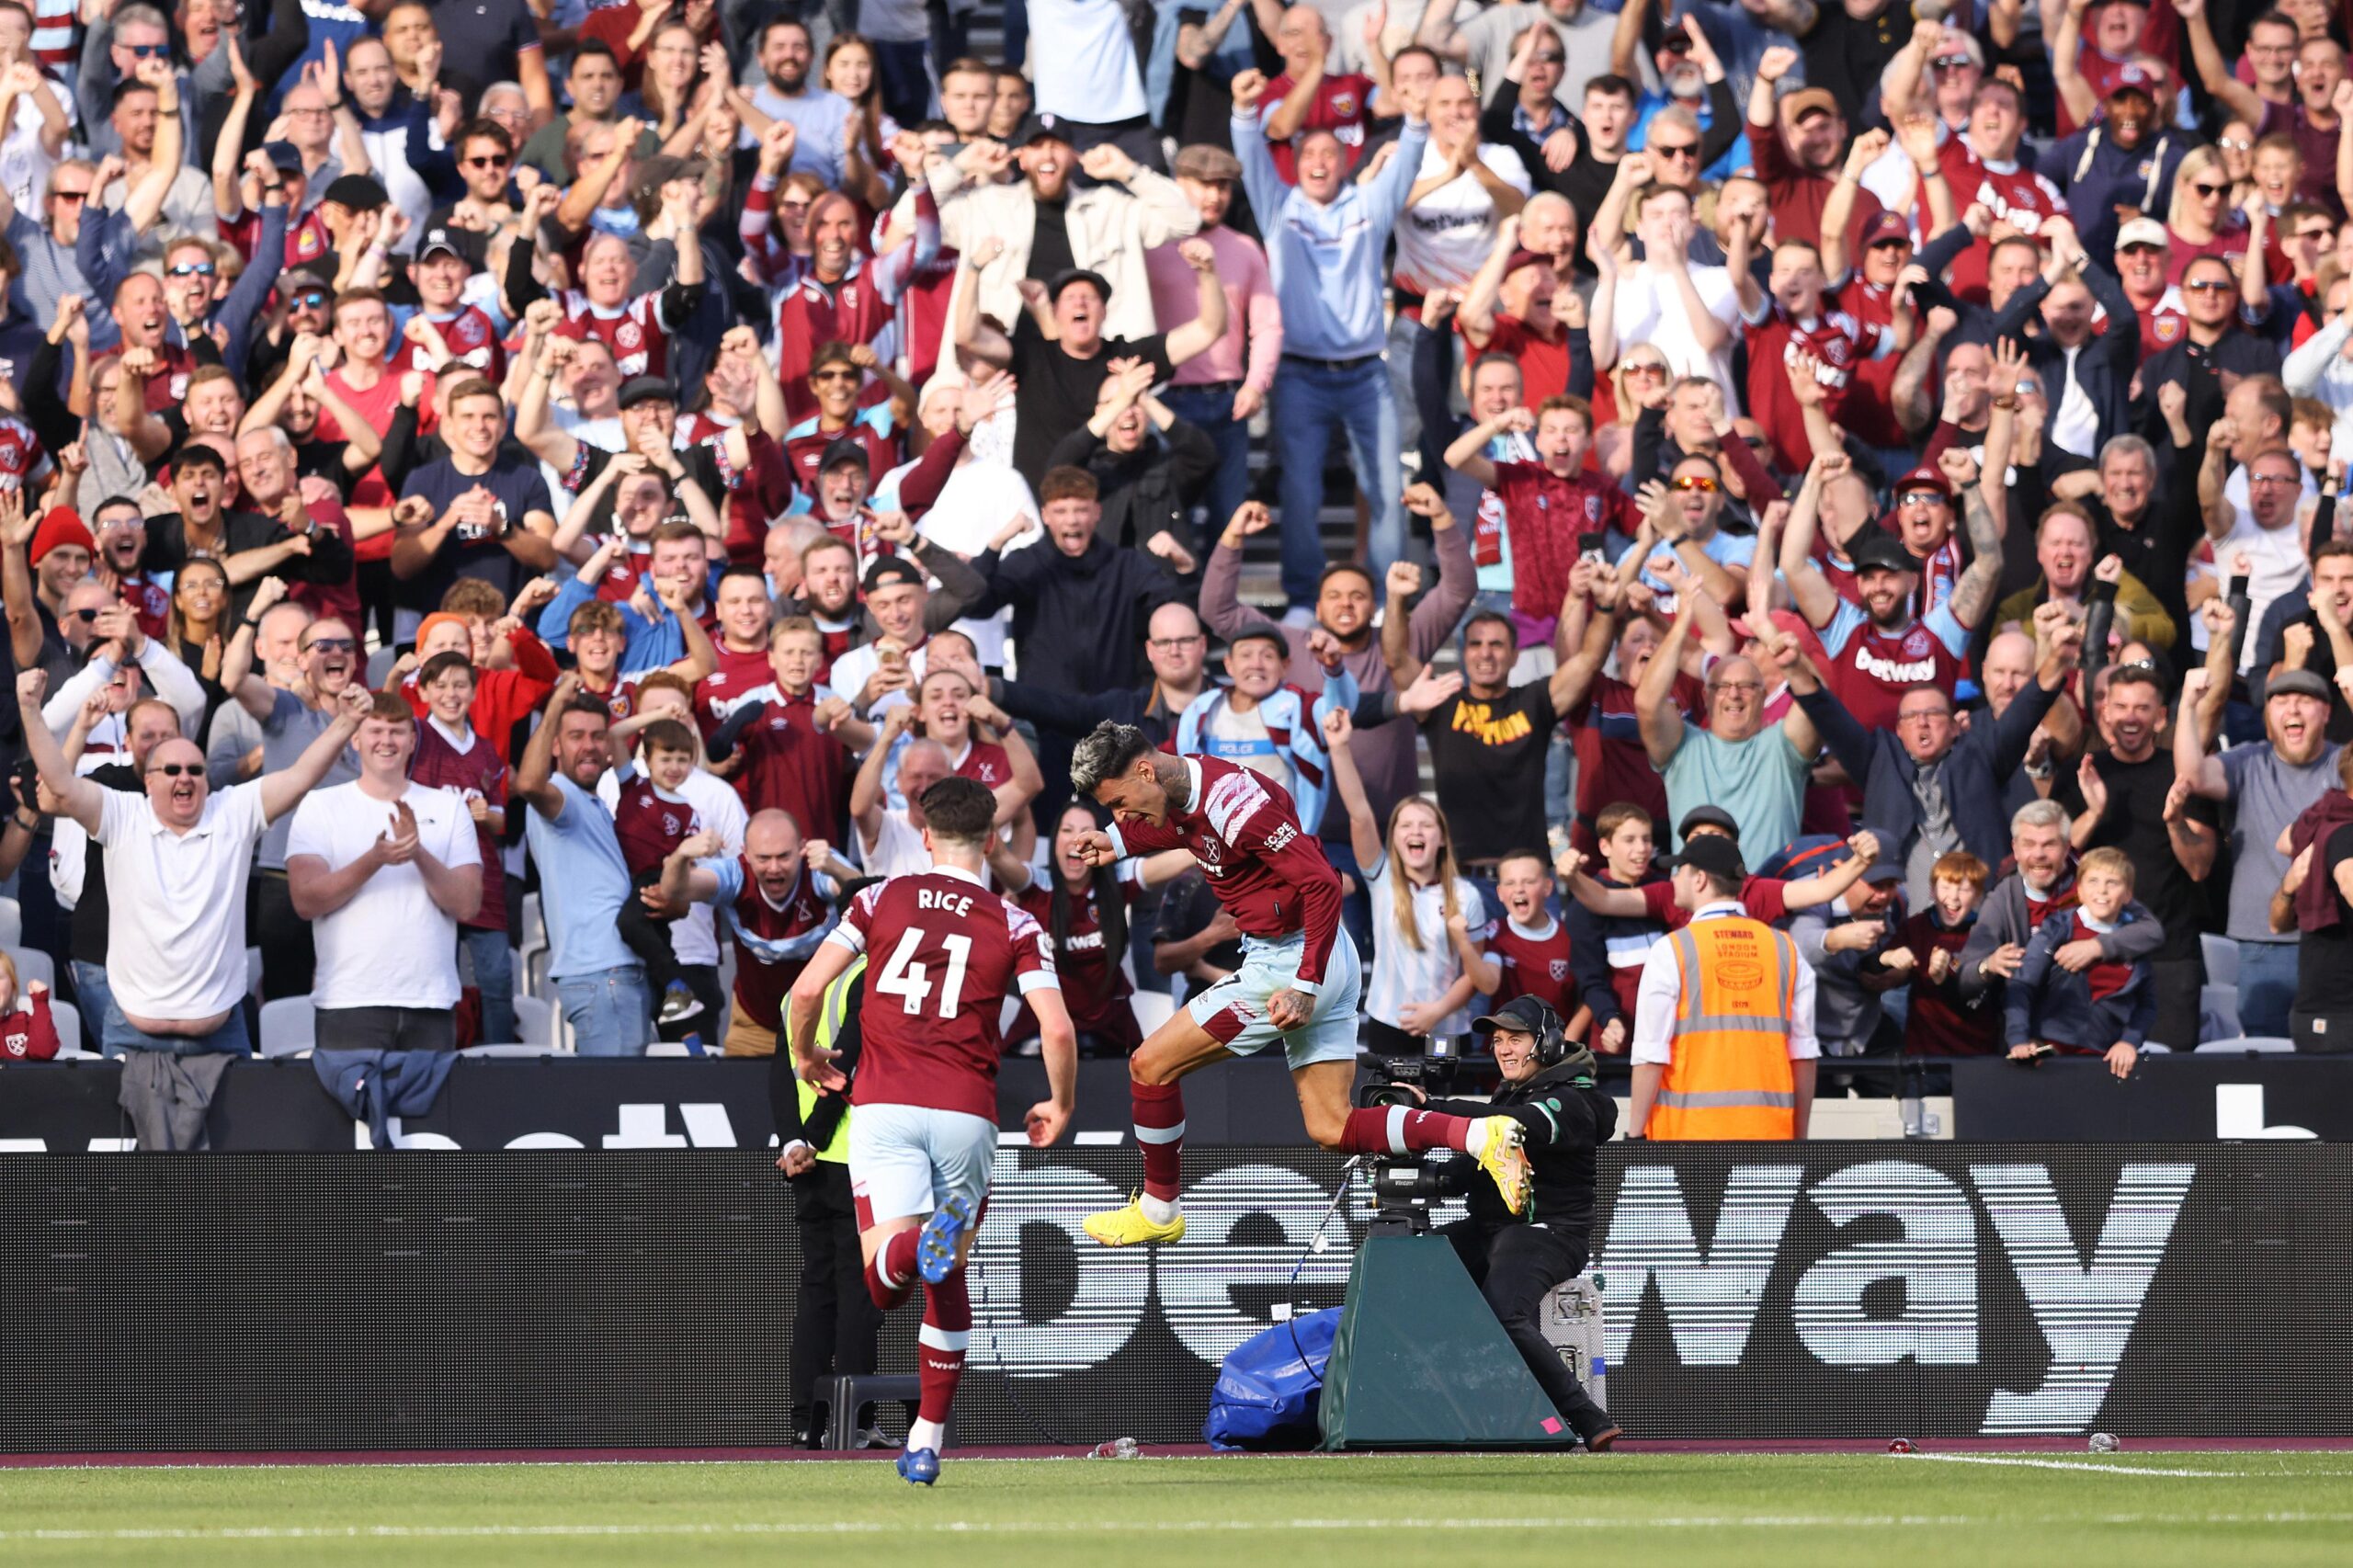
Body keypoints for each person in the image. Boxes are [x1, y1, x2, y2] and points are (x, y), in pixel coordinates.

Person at [1068, 721, 1531, 1247]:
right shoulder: (1180, 792)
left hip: (1293, 964)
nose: (1121, 814)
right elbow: (1174, 828)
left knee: (1148, 1066)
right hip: (1324, 956)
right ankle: (1478, 1133)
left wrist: (1305, 983)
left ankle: (1158, 1209)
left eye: (1121, 802)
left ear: (1147, 770)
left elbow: (1321, 883)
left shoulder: (1235, 805)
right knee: (1332, 1126)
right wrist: (1115, 839)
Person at [784, 777, 1079, 1488]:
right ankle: (926, 1441)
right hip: (967, 1113)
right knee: (947, 1279)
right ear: (991, 841)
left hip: (885, 1107)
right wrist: (1060, 1103)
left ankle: (917, 1244)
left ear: (922, 834)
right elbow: (1058, 1027)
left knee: (885, 1283)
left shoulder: (879, 898)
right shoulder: (1016, 924)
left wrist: (805, 1054)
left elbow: (806, 990)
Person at [17, 665, 369, 1056]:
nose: (184, 778)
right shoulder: (122, 813)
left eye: (195, 770)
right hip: (132, 1030)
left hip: (220, 1029)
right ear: (148, 781)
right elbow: (60, 788)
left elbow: (301, 776)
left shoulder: (234, 810)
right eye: (170, 770)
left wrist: (347, 723)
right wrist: (30, 709)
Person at [1231, 65, 1427, 612]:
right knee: (1301, 490)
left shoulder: (1368, 206)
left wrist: (1415, 116)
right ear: (1295, 164)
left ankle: (1388, 596)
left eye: (1330, 155)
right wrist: (1245, 112)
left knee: (1388, 486)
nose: (1318, 163)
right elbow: (1249, 159)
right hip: (1299, 373)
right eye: (1308, 155)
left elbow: (1407, 164)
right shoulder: (1279, 207)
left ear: (1346, 163)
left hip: (1366, 372)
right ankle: (1299, 595)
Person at [1406, 994, 1620, 1450]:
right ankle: (1430, 1409)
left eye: (1515, 1038)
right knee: (1409, 1269)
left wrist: (1430, 1112)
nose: (1503, 1048)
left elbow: (1511, 1126)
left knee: (1506, 1311)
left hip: (1547, 1231)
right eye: (1497, 1040)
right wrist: (1419, 1177)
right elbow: (1477, 1164)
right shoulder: (1511, 1092)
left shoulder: (1571, 1099)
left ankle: (1587, 1416)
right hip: (1493, 1229)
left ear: (1545, 1042)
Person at [285, 694, 483, 1051]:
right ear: (355, 739)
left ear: (412, 740)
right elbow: (306, 900)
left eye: (397, 731)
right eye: (375, 730)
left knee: (430, 1110)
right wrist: (374, 859)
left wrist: (417, 852)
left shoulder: (449, 806)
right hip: (349, 1001)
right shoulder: (320, 806)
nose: (386, 741)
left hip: (431, 1001)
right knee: (352, 1110)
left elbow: (467, 905)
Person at [2174, 654, 2340, 1039]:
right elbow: (2192, 775)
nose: (2292, 709)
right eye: (2281, 701)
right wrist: (2186, 705)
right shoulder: (2249, 760)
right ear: (2268, 714)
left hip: (2332, 938)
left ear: (2326, 712)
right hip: (2261, 942)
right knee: (2267, 1056)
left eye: (2304, 700)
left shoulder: (2341, 764)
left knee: (2334, 1055)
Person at [1624, 832, 1818, 1141]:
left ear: (1699, 879)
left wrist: (1634, 1135)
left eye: (1680, 871)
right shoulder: (1786, 950)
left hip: (1686, 1140)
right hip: (1770, 1138)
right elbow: (1804, 1055)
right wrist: (1799, 1138)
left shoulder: (1672, 949)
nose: (1673, 879)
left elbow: (1650, 1055)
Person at [1329, 710, 1495, 1059]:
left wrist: (1437, 1010)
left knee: (1446, 1113)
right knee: (1391, 1113)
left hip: (1447, 1026)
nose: (1416, 832)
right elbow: (1360, 813)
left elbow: (1475, 974)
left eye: (1426, 825)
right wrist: (1340, 749)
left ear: (1442, 839)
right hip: (1390, 1023)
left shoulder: (1466, 895)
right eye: (1406, 825)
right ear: (1394, 837)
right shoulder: (1382, 879)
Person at [514, 675, 653, 1056]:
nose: (589, 746)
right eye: (576, 736)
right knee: (621, 1101)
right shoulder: (563, 799)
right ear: (555, 745)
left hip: (609, 974)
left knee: (620, 1103)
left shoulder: (592, 803)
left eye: (597, 736)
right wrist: (557, 702)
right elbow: (528, 782)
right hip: (603, 974)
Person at [2003, 846, 2154, 1078]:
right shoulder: (2058, 928)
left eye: (2112, 883)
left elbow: (2146, 1005)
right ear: (2080, 891)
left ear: (2127, 895)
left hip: (2106, 1064)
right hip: (2048, 1062)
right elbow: (2022, 985)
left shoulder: (2135, 940)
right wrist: (2019, 1039)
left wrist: (2128, 1042)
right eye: (2093, 881)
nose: (2102, 890)